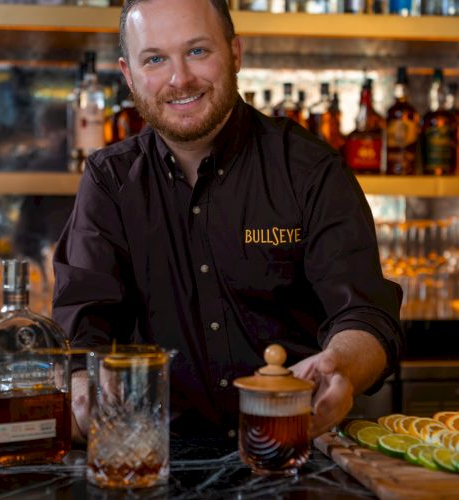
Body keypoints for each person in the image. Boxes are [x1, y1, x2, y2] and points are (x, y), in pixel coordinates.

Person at [53, 0, 403, 442]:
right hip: (156, 459)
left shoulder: (310, 169)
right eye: (155, 59)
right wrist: (83, 388)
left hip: (297, 449)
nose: (179, 78)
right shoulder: (110, 181)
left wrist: (339, 366)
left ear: (235, 53)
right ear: (128, 74)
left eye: (198, 51)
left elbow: (366, 315)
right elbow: (82, 324)